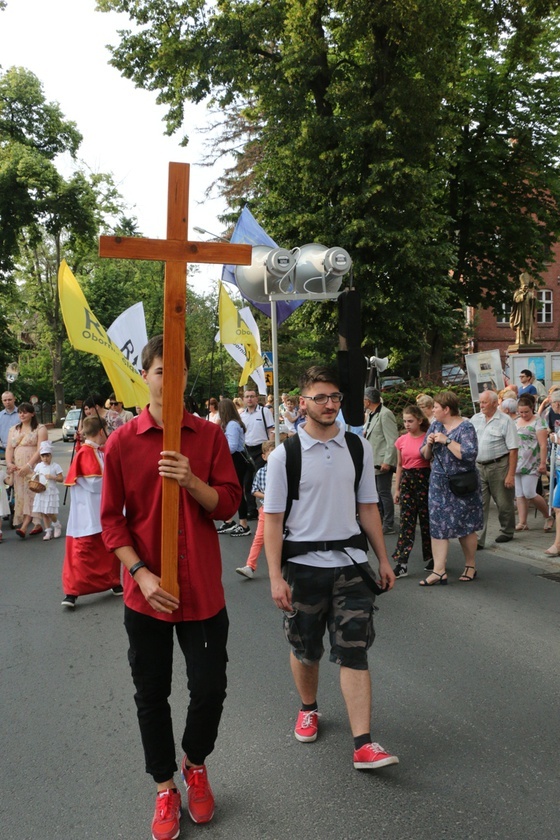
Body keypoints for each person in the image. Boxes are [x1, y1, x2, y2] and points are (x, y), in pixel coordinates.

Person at [100, 335, 241, 840]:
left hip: (201, 591)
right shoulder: (121, 441)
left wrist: (191, 481)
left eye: (178, 370)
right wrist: (140, 573)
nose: (170, 379)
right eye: (161, 370)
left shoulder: (208, 437)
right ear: (146, 375)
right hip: (147, 593)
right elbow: (111, 525)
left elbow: (227, 504)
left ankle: (194, 762)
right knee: (150, 694)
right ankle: (165, 786)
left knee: (209, 688)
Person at [264, 365, 398, 771]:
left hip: (352, 567)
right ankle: (308, 707)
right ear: (302, 402)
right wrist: (273, 576)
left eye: (335, 397)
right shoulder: (284, 456)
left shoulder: (357, 448)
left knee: (355, 651)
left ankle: (364, 744)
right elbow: (272, 518)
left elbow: (369, 507)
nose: (329, 404)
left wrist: (383, 558)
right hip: (303, 568)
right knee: (306, 649)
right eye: (320, 397)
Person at [419, 391, 483, 584]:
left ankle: (470, 565)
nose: (433, 411)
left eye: (436, 407)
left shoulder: (466, 427)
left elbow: (469, 454)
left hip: (461, 484)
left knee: (465, 525)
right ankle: (439, 570)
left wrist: (446, 441)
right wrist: (429, 444)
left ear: (446, 409)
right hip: (439, 484)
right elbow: (424, 455)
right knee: (437, 526)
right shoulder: (436, 425)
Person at [61, 416, 122, 608]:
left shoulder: (100, 451)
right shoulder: (86, 453)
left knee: (110, 548)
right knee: (83, 551)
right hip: (87, 512)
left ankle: (113, 582)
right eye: (106, 429)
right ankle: (72, 592)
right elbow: (96, 484)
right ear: (100, 431)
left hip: (103, 509)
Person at [470, 390, 519, 549]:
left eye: (484, 402)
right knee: (480, 503)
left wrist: (511, 474)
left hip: (499, 466)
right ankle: (478, 539)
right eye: (480, 402)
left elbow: (513, 449)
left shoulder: (505, 421)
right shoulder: (475, 419)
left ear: (494, 403)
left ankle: (507, 530)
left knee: (504, 502)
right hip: (479, 466)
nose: (481, 405)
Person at [391, 405, 432, 577]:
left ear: (420, 420)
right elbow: (400, 465)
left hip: (424, 479)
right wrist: (397, 488)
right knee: (406, 522)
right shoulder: (401, 440)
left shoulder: (427, 438)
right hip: (408, 480)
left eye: (410, 421)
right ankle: (402, 563)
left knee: (427, 521)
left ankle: (433, 558)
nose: (407, 424)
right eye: (405, 421)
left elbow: (430, 460)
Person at [5, 402, 48, 538]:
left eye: (25, 412)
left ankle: (24, 526)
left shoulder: (40, 429)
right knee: (21, 494)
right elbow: (9, 448)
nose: (22, 415)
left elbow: (40, 449)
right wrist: (9, 463)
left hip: (33, 466)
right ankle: (37, 523)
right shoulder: (14, 429)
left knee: (32, 494)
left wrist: (29, 465)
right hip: (17, 468)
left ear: (32, 413)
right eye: (20, 412)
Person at [236, 439, 275, 578]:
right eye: (271, 453)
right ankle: (250, 566)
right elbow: (254, 490)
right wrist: (266, 496)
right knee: (259, 538)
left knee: (282, 538)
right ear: (264, 456)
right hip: (266, 509)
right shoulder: (261, 473)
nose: (274, 456)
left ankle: (284, 567)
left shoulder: (285, 470)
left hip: (282, 510)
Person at [514, 394, 552, 531]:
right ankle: (523, 522)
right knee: (519, 493)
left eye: (526, 412)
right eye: (521, 412)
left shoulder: (538, 422)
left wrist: (542, 463)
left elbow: (543, 445)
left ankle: (548, 515)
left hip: (532, 461)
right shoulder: (516, 422)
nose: (523, 415)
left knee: (529, 492)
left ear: (532, 409)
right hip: (517, 461)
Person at [363, 387, 398, 534]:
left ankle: (388, 523)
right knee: (377, 492)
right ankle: (381, 518)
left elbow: (392, 439)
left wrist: (388, 461)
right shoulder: (371, 414)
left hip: (382, 461)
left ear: (368, 400)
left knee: (383, 492)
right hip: (373, 460)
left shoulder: (385, 414)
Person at [216, 398, 251, 537]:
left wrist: (219, 450)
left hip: (236, 459)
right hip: (236, 458)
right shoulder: (233, 424)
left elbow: (232, 446)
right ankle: (229, 520)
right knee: (232, 490)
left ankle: (243, 524)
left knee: (236, 491)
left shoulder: (232, 425)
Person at [240, 387, 274, 519]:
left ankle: (266, 506)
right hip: (247, 450)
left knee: (260, 478)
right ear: (244, 399)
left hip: (261, 449)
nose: (249, 399)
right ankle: (251, 509)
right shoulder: (242, 415)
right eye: (247, 396)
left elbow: (271, 430)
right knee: (247, 481)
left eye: (252, 396)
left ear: (256, 398)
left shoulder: (264, 411)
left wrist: (271, 449)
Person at [31, 440, 64, 540]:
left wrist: (52, 477)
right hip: (41, 492)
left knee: (50, 512)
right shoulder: (39, 466)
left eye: (47, 456)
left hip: (51, 492)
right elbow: (35, 476)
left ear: (51, 455)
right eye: (43, 456)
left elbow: (61, 478)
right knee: (43, 512)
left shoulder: (55, 466)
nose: (45, 458)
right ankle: (48, 531)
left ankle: (56, 524)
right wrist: (35, 482)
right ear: (40, 457)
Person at [510, 272, 537, 345]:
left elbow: (533, 303)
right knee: (521, 327)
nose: (526, 287)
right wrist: (523, 296)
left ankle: (530, 340)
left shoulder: (530, 294)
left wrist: (533, 300)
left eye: (527, 286)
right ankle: (520, 340)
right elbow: (516, 300)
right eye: (525, 286)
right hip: (521, 313)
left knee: (529, 326)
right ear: (521, 286)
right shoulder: (517, 293)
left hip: (528, 313)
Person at [0, 391, 19, 457]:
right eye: (5, 400)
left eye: (9, 399)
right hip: (4, 450)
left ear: (14, 399)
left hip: (20, 449)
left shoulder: (22, 414)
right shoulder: (0, 416)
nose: (7, 402)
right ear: (2, 401)